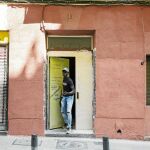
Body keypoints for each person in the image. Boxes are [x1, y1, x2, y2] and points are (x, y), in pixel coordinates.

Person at [61, 67, 75, 134]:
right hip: (64, 97)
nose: (64, 73)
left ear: (68, 73)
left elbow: (73, 91)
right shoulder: (64, 79)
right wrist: (62, 94)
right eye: (63, 72)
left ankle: (69, 127)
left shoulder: (69, 80)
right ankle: (66, 123)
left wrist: (67, 93)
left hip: (70, 97)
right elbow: (64, 88)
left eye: (65, 72)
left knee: (68, 112)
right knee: (63, 112)